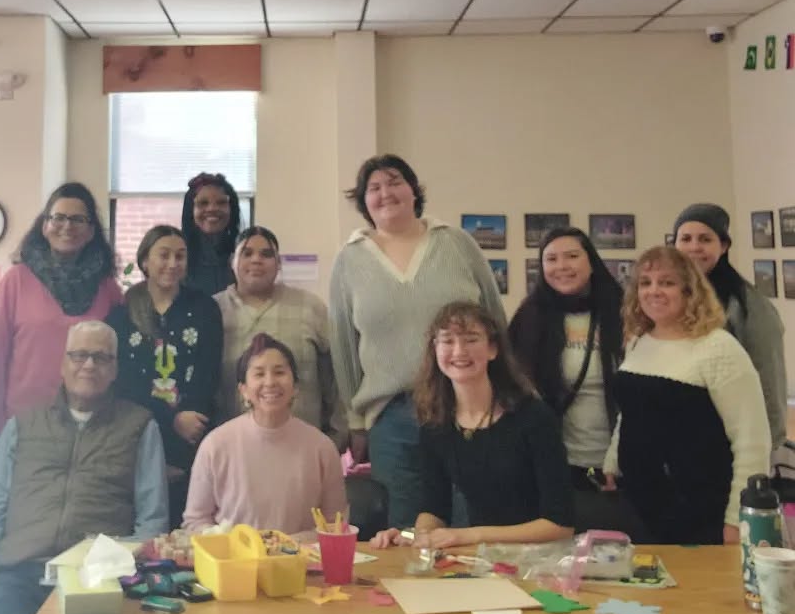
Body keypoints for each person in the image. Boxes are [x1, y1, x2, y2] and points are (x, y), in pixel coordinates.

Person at [0, 321, 167, 614]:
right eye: (79, 355)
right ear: (63, 363)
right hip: (20, 574)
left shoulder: (140, 427)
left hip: (97, 578)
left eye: (101, 358)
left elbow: (153, 522)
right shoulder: (22, 426)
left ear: (114, 369)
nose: (89, 365)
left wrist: (112, 569)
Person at [328, 153, 506, 529]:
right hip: (391, 416)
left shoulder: (457, 243)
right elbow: (343, 344)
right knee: (404, 526)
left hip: (463, 405)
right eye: (373, 188)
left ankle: (471, 590)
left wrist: (503, 389)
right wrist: (355, 420)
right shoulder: (349, 260)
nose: (385, 193)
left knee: (468, 518)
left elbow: (494, 318)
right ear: (364, 202)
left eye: (395, 182)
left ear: (413, 191)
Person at [372, 300, 573, 550]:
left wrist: (468, 536)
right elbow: (434, 509)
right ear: (434, 350)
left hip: (544, 561)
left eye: (470, 339)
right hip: (484, 560)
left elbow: (560, 524)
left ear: (492, 349)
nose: (458, 351)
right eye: (447, 341)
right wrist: (414, 536)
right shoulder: (436, 423)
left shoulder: (533, 417)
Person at [604, 246, 771, 545]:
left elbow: (752, 440)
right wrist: (612, 461)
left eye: (667, 282)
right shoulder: (638, 341)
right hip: (641, 504)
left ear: (689, 291)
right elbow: (631, 412)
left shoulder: (719, 348)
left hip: (701, 510)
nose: (654, 291)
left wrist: (737, 519)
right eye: (646, 283)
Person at [0, 182, 121, 447]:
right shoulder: (17, 281)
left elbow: (119, 356)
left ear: (91, 231)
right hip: (23, 426)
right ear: (44, 226)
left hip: (90, 427)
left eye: (78, 219)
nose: (67, 226)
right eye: (58, 218)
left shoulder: (108, 289)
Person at [508, 227, 627, 531]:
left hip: (620, 464)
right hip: (555, 465)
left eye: (572, 256)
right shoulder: (528, 317)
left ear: (591, 261)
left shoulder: (624, 312)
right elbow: (515, 391)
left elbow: (640, 393)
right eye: (551, 259)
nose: (562, 266)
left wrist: (618, 455)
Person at [108, 225, 223, 527]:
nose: (173, 263)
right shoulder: (122, 313)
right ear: (145, 261)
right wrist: (169, 420)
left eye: (180, 256)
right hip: (137, 432)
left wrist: (188, 418)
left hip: (191, 433)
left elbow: (208, 370)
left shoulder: (203, 308)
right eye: (164, 255)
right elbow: (125, 382)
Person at [184, 333, 347, 536]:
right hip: (235, 562)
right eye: (259, 374)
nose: (270, 382)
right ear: (243, 390)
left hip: (301, 562)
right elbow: (195, 521)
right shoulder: (215, 445)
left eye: (279, 372)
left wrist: (287, 546)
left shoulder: (321, 447)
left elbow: (336, 525)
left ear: (295, 386)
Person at [215, 226, 345, 445]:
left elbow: (336, 376)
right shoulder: (214, 311)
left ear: (279, 263)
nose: (256, 260)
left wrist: (340, 431)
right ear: (232, 261)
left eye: (266, 254)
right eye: (247, 253)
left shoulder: (309, 307)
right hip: (233, 447)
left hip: (303, 444)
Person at [673, 202, 788, 450]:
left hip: (726, 441)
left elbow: (769, 378)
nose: (694, 247)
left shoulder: (749, 305)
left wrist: (768, 446)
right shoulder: (663, 296)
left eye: (705, 239)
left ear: (723, 246)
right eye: (686, 238)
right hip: (674, 440)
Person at [181, 171, 241, 295]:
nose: (212, 209)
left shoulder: (243, 251)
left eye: (221, 203)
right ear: (190, 210)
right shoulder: (178, 254)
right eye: (203, 203)